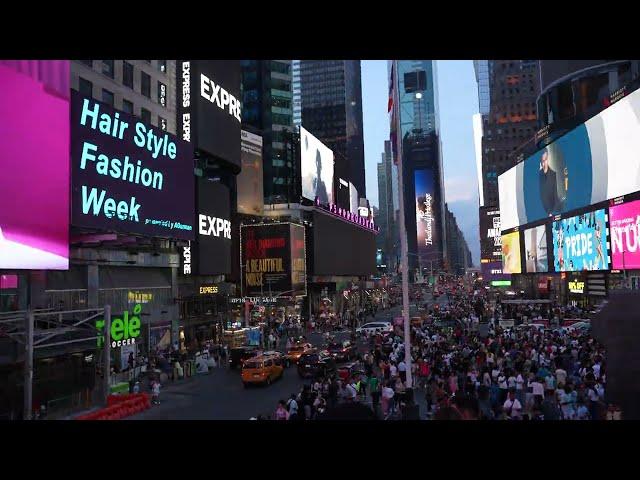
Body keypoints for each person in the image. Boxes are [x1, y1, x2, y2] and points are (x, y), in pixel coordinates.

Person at [539, 149, 561, 215]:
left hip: (552, 213)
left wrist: (552, 213)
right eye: (542, 161)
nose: (544, 163)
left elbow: (556, 196)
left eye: (545, 159)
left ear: (548, 159)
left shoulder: (554, 175)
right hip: (540, 213)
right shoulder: (539, 175)